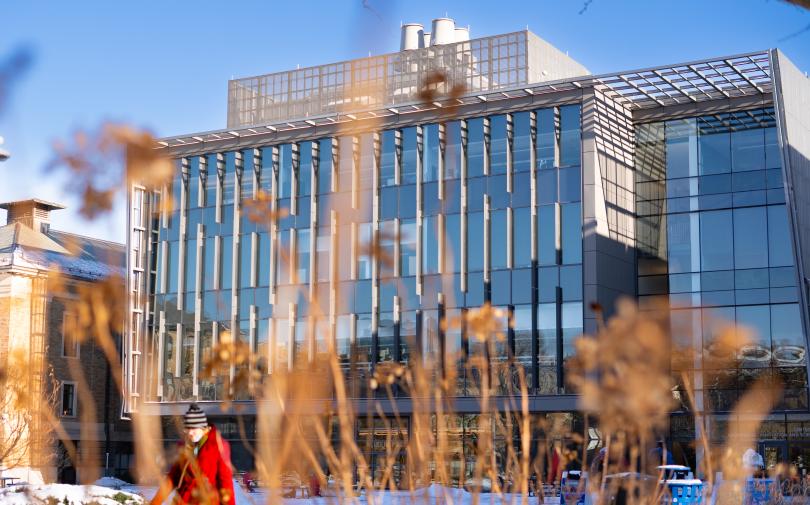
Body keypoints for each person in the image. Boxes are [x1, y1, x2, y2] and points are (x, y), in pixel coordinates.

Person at [150, 404, 235, 505]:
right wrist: (154, 503)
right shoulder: (183, 446)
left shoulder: (218, 446)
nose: (190, 433)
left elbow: (225, 483)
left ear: (203, 428)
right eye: (187, 429)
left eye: (193, 429)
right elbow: (172, 478)